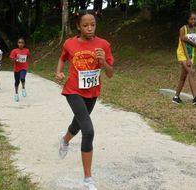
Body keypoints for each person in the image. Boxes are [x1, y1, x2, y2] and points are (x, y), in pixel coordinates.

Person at [55, 10, 114, 190]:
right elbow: (62, 58)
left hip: (92, 92)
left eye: (93, 24)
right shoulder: (70, 43)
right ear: (78, 26)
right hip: (73, 90)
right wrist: (58, 71)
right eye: (85, 25)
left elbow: (110, 74)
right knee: (88, 130)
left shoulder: (103, 44)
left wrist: (103, 61)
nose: (90, 28)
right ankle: (88, 179)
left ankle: (64, 140)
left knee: (78, 124)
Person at [173, 12, 196, 105]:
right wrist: (187, 59)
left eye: (195, 19)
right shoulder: (183, 29)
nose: (193, 21)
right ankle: (195, 98)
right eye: (191, 19)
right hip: (182, 54)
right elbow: (183, 44)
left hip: (191, 55)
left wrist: (189, 41)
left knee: (183, 77)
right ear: (187, 19)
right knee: (191, 72)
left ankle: (176, 97)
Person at [9, 38, 35, 102]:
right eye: (19, 42)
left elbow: (30, 56)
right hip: (16, 69)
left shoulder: (27, 50)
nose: (21, 44)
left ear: (24, 44)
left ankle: (23, 88)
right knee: (17, 82)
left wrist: (33, 62)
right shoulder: (14, 51)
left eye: (22, 42)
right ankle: (16, 94)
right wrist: (15, 58)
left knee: (22, 78)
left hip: (24, 67)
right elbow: (11, 60)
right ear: (17, 43)